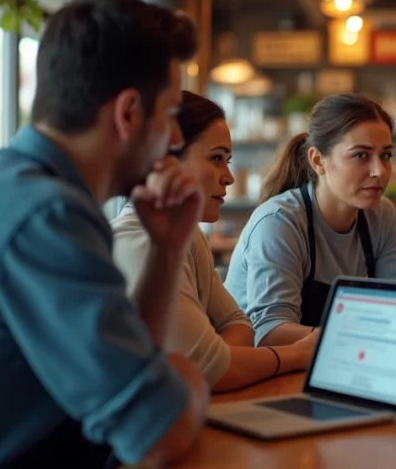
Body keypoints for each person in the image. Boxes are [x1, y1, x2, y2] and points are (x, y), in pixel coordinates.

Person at [0, 0, 209, 468]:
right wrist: (187, 379)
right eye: (173, 115)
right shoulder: (46, 217)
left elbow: (132, 369)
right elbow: (157, 436)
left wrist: (168, 249)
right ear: (128, 113)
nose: (176, 140)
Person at [112, 91, 321, 392]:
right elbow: (211, 370)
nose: (229, 177)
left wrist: (220, 361)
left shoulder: (188, 235)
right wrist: (297, 354)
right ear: (165, 161)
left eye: (228, 161)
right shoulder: (137, 243)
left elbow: (238, 325)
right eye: (216, 159)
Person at [225, 94, 396, 348]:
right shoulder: (280, 222)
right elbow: (271, 332)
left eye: (386, 155)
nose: (380, 171)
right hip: (259, 373)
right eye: (361, 155)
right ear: (318, 161)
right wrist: (375, 333)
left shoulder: (380, 214)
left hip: (328, 364)